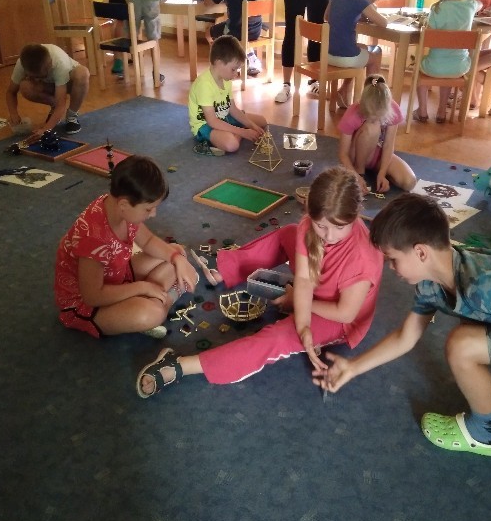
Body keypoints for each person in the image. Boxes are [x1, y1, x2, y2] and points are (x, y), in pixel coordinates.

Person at [312, 193, 491, 457]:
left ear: (421, 252)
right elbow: (407, 336)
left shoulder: (484, 286)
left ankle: (487, 433)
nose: (390, 267)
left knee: (463, 344)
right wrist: (353, 367)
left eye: (393, 259)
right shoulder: (432, 282)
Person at [136, 166, 384, 398]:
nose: (329, 236)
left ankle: (178, 365)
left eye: (339, 228)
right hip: (317, 288)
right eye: (321, 226)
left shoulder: (362, 257)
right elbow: (304, 280)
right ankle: (227, 269)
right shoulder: (309, 225)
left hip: (340, 318)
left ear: (355, 216)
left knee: (276, 338)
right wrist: (303, 323)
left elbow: (345, 313)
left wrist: (299, 306)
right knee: (288, 233)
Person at [54, 155, 199, 339]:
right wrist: (142, 288)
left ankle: (151, 300)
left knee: (176, 252)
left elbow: (148, 241)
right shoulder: (93, 239)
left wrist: (176, 258)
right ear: (124, 204)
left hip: (117, 276)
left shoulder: (117, 207)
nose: (153, 214)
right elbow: (93, 296)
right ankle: (163, 300)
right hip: (88, 305)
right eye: (148, 209)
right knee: (153, 313)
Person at [412, 0, 476, 124]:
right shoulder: (470, 5)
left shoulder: (437, 9)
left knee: (417, 65)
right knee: (449, 67)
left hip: (435, 67)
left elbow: (428, 34)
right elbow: (474, 2)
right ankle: (441, 112)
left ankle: (422, 111)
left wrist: (424, 23)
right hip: (460, 67)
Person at [337, 74, 416, 195]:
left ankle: (376, 174)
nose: (375, 119)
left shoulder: (394, 110)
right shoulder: (352, 113)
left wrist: (382, 173)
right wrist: (356, 176)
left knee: (409, 182)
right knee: (372, 127)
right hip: (356, 155)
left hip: (377, 156)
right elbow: (343, 154)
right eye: (370, 116)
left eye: (379, 117)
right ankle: (360, 171)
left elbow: (388, 145)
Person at [188, 34, 267, 155]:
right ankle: (234, 134)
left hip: (224, 117)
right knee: (232, 144)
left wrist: (252, 125)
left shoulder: (226, 79)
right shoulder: (204, 85)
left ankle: (234, 132)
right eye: (233, 69)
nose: (236, 74)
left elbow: (233, 109)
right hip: (205, 125)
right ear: (218, 63)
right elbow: (212, 121)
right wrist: (242, 132)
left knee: (261, 121)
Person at [325, 0, 389, 108]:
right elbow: (383, 23)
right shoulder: (361, 1)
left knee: (363, 48)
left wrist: (353, 15)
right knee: (376, 54)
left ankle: (343, 90)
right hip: (345, 57)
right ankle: (372, 100)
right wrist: (370, 8)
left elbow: (327, 16)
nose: (373, 2)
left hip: (328, 54)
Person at [196, 0, 262, 76]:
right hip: (255, 29)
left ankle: (223, 62)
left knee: (208, 33)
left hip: (238, 31)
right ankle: (250, 57)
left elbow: (208, 3)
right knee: (231, 25)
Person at [6, 43, 90, 141]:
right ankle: (53, 109)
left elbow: (61, 104)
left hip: (69, 83)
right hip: (50, 85)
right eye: (34, 77)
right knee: (25, 86)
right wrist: (13, 114)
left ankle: (72, 117)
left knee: (82, 73)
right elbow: (10, 92)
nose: (37, 80)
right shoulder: (21, 64)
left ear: (49, 65)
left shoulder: (59, 63)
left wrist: (45, 130)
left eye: (41, 76)